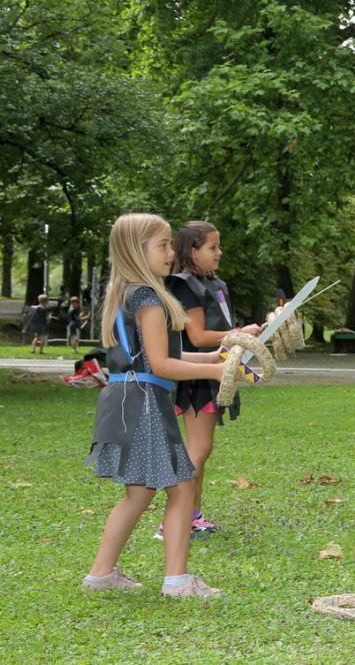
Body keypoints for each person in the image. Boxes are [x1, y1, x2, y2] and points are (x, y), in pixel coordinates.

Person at [82, 213, 226, 597]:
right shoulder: (147, 297)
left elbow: (152, 360)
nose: (169, 252)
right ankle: (177, 581)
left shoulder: (129, 293)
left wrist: (215, 359)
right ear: (136, 250)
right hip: (142, 402)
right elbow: (161, 366)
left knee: (140, 492)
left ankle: (100, 576)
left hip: (127, 398)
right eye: (161, 245)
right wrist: (215, 373)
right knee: (180, 488)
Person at [163, 221, 262, 538]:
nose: (219, 253)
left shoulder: (215, 284)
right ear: (192, 250)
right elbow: (198, 335)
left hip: (215, 373)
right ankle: (173, 522)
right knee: (199, 448)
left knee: (201, 450)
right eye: (212, 247)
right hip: (196, 375)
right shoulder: (182, 284)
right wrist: (239, 334)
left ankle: (191, 515)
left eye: (219, 246)